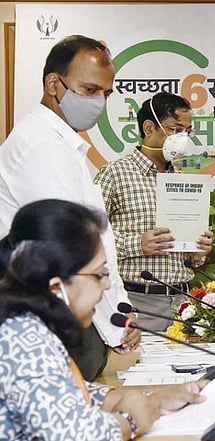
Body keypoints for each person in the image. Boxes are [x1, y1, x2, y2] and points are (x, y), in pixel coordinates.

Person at [0, 199, 207, 440]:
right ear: (57, 287)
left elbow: (66, 395)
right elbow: (71, 435)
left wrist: (154, 402)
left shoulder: (28, 325)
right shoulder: (23, 338)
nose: (106, 284)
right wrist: (132, 420)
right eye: (99, 275)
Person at [0, 35, 139, 379]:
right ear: (53, 84)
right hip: (52, 322)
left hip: (72, 317)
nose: (98, 103)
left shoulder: (59, 144)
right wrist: (115, 323)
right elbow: (74, 251)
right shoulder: (42, 147)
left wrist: (118, 314)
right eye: (89, 90)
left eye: (106, 94)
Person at [95, 92, 214, 331]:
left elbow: (190, 259)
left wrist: (198, 249)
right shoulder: (115, 174)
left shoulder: (182, 181)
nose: (183, 139)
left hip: (183, 303)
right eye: (175, 129)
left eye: (187, 132)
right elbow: (88, 238)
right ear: (149, 128)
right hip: (137, 301)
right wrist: (137, 244)